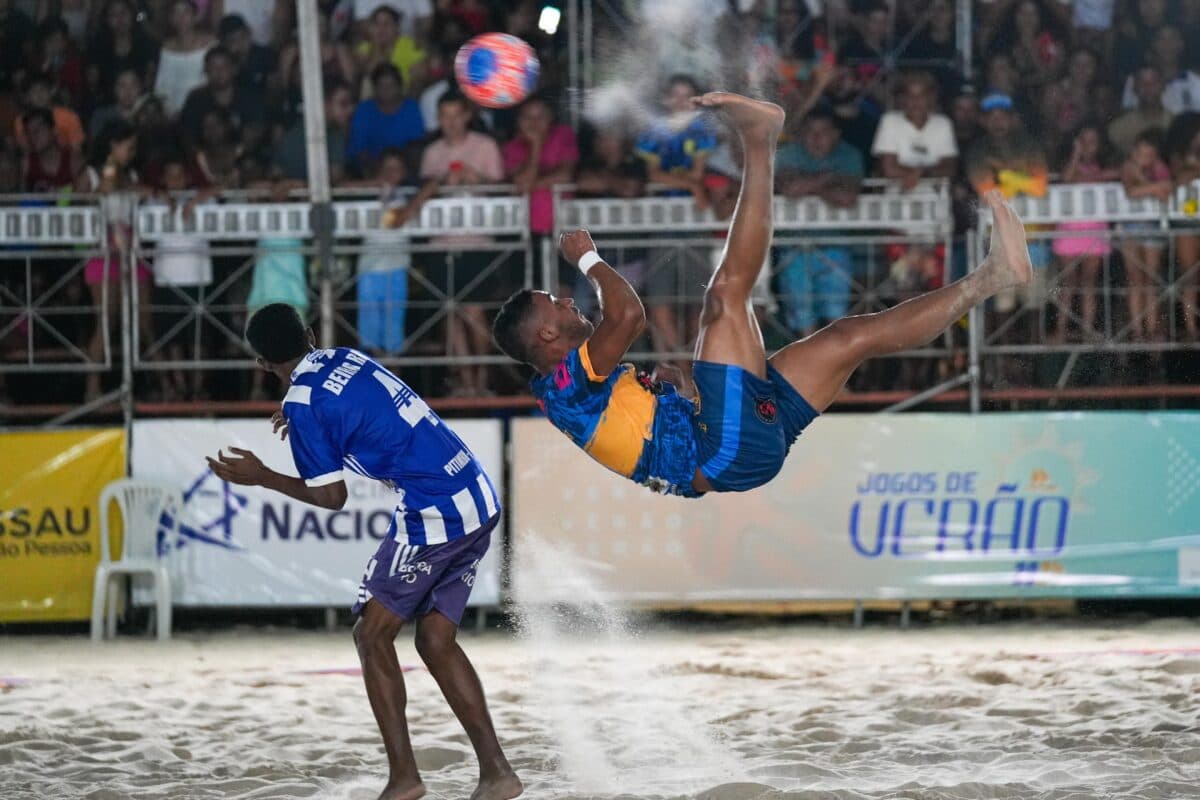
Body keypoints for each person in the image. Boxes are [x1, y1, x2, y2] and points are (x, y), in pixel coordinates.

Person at [492, 92, 1033, 497]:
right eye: (555, 304)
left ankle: (993, 276)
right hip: (722, 451)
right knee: (725, 297)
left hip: (738, 444)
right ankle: (759, 138)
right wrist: (587, 259)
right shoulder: (566, 383)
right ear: (547, 335)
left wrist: (677, 392)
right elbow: (629, 315)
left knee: (852, 337)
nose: (568, 302)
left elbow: (647, 433)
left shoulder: (571, 386)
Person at [205, 302, 522, 800]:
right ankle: (497, 773)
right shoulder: (344, 358)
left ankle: (405, 779)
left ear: (262, 364)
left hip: (438, 512)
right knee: (435, 641)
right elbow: (357, 408)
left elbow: (332, 498)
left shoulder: (302, 405)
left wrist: (262, 475)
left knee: (371, 635)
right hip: (476, 493)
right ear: (311, 335)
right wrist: (303, 418)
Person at [775, 109, 864, 337]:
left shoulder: (849, 155)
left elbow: (846, 198)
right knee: (801, 311)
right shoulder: (787, 154)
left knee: (836, 312)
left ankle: (834, 358)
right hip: (794, 245)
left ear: (836, 134)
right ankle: (811, 358)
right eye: (810, 132)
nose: (816, 138)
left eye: (823, 132)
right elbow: (790, 189)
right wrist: (830, 178)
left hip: (835, 244)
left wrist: (808, 184)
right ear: (801, 134)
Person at [1051, 124, 1119, 342]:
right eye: (1084, 141)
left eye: (1093, 142)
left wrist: (1092, 177)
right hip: (1069, 230)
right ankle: (1061, 331)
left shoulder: (1105, 166)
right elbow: (1067, 179)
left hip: (1094, 230)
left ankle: (1088, 330)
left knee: (1089, 283)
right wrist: (1076, 154)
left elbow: (1114, 174)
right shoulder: (1069, 163)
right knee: (1068, 283)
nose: (1088, 146)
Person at [1119, 127, 1172, 342]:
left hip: (1152, 226)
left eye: (1149, 155)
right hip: (1130, 227)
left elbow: (1167, 188)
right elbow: (1131, 191)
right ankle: (1137, 331)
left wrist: (1147, 183)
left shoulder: (1160, 168)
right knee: (1135, 279)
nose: (1144, 159)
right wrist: (1154, 187)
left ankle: (1151, 330)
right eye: (1141, 154)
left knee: (1150, 280)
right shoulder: (1127, 167)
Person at [1108, 65, 1173, 157]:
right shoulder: (1118, 128)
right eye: (1142, 83)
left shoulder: (1175, 124)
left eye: (1154, 82)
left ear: (1163, 86)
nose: (1148, 87)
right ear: (1134, 88)